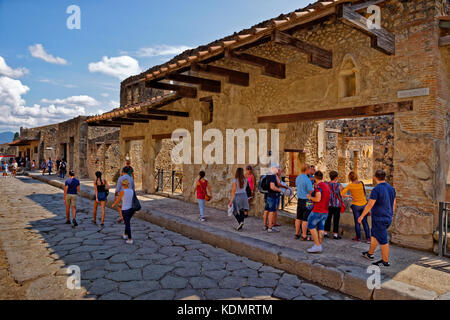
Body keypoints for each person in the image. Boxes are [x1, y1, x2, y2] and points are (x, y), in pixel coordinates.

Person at [359, 170, 396, 267]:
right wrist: (392, 214)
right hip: (388, 217)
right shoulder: (391, 188)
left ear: (375, 177)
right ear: (384, 177)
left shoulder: (376, 189)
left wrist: (362, 216)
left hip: (380, 218)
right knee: (375, 236)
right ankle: (370, 254)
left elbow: (370, 204)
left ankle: (385, 261)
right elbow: (393, 203)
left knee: (383, 240)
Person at [341, 172, 371, 243]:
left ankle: (358, 238)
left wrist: (350, 196)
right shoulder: (361, 183)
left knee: (357, 222)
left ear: (349, 178)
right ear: (356, 176)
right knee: (365, 222)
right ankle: (368, 239)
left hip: (356, 206)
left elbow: (342, 194)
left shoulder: (350, 185)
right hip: (364, 205)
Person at [306, 171, 331, 254]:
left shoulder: (319, 187)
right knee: (321, 228)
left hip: (317, 210)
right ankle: (319, 245)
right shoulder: (326, 186)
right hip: (325, 211)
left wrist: (310, 197)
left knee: (310, 225)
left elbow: (317, 199)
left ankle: (317, 245)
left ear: (315, 178)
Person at [294, 164, 314, 240]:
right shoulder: (307, 179)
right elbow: (310, 190)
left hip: (299, 199)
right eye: (309, 169)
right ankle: (304, 235)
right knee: (305, 218)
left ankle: (296, 233)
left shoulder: (298, 177)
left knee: (298, 217)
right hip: (307, 200)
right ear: (307, 170)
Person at [112, 179, 135, 244]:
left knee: (127, 223)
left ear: (123, 184)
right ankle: (125, 234)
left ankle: (130, 239)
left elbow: (118, 200)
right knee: (127, 221)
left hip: (125, 209)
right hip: (131, 210)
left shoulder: (122, 192)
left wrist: (113, 204)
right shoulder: (132, 191)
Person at [263, 164, 283, 233]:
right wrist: (279, 190)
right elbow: (272, 187)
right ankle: (270, 228)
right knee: (271, 211)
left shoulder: (268, 175)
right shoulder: (272, 176)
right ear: (274, 169)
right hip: (272, 195)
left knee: (266, 210)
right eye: (277, 169)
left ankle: (265, 226)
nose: (278, 170)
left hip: (267, 195)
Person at [324, 171, 344, 240]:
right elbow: (342, 195)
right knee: (336, 220)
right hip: (337, 205)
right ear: (336, 177)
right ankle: (335, 234)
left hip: (328, 204)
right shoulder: (339, 185)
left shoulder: (326, 184)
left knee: (327, 219)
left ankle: (325, 233)